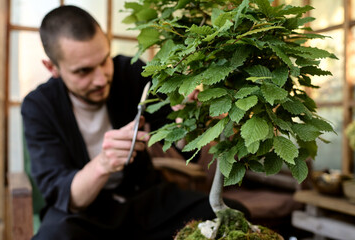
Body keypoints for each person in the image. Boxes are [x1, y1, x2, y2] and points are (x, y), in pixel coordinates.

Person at [21, 5, 249, 240]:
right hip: (86, 215)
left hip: (144, 199)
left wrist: (187, 118)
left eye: (103, 61)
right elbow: (68, 197)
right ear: (52, 67)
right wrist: (103, 163)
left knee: (232, 218)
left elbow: (178, 142)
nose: (101, 78)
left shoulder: (130, 72)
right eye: (83, 71)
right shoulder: (38, 107)